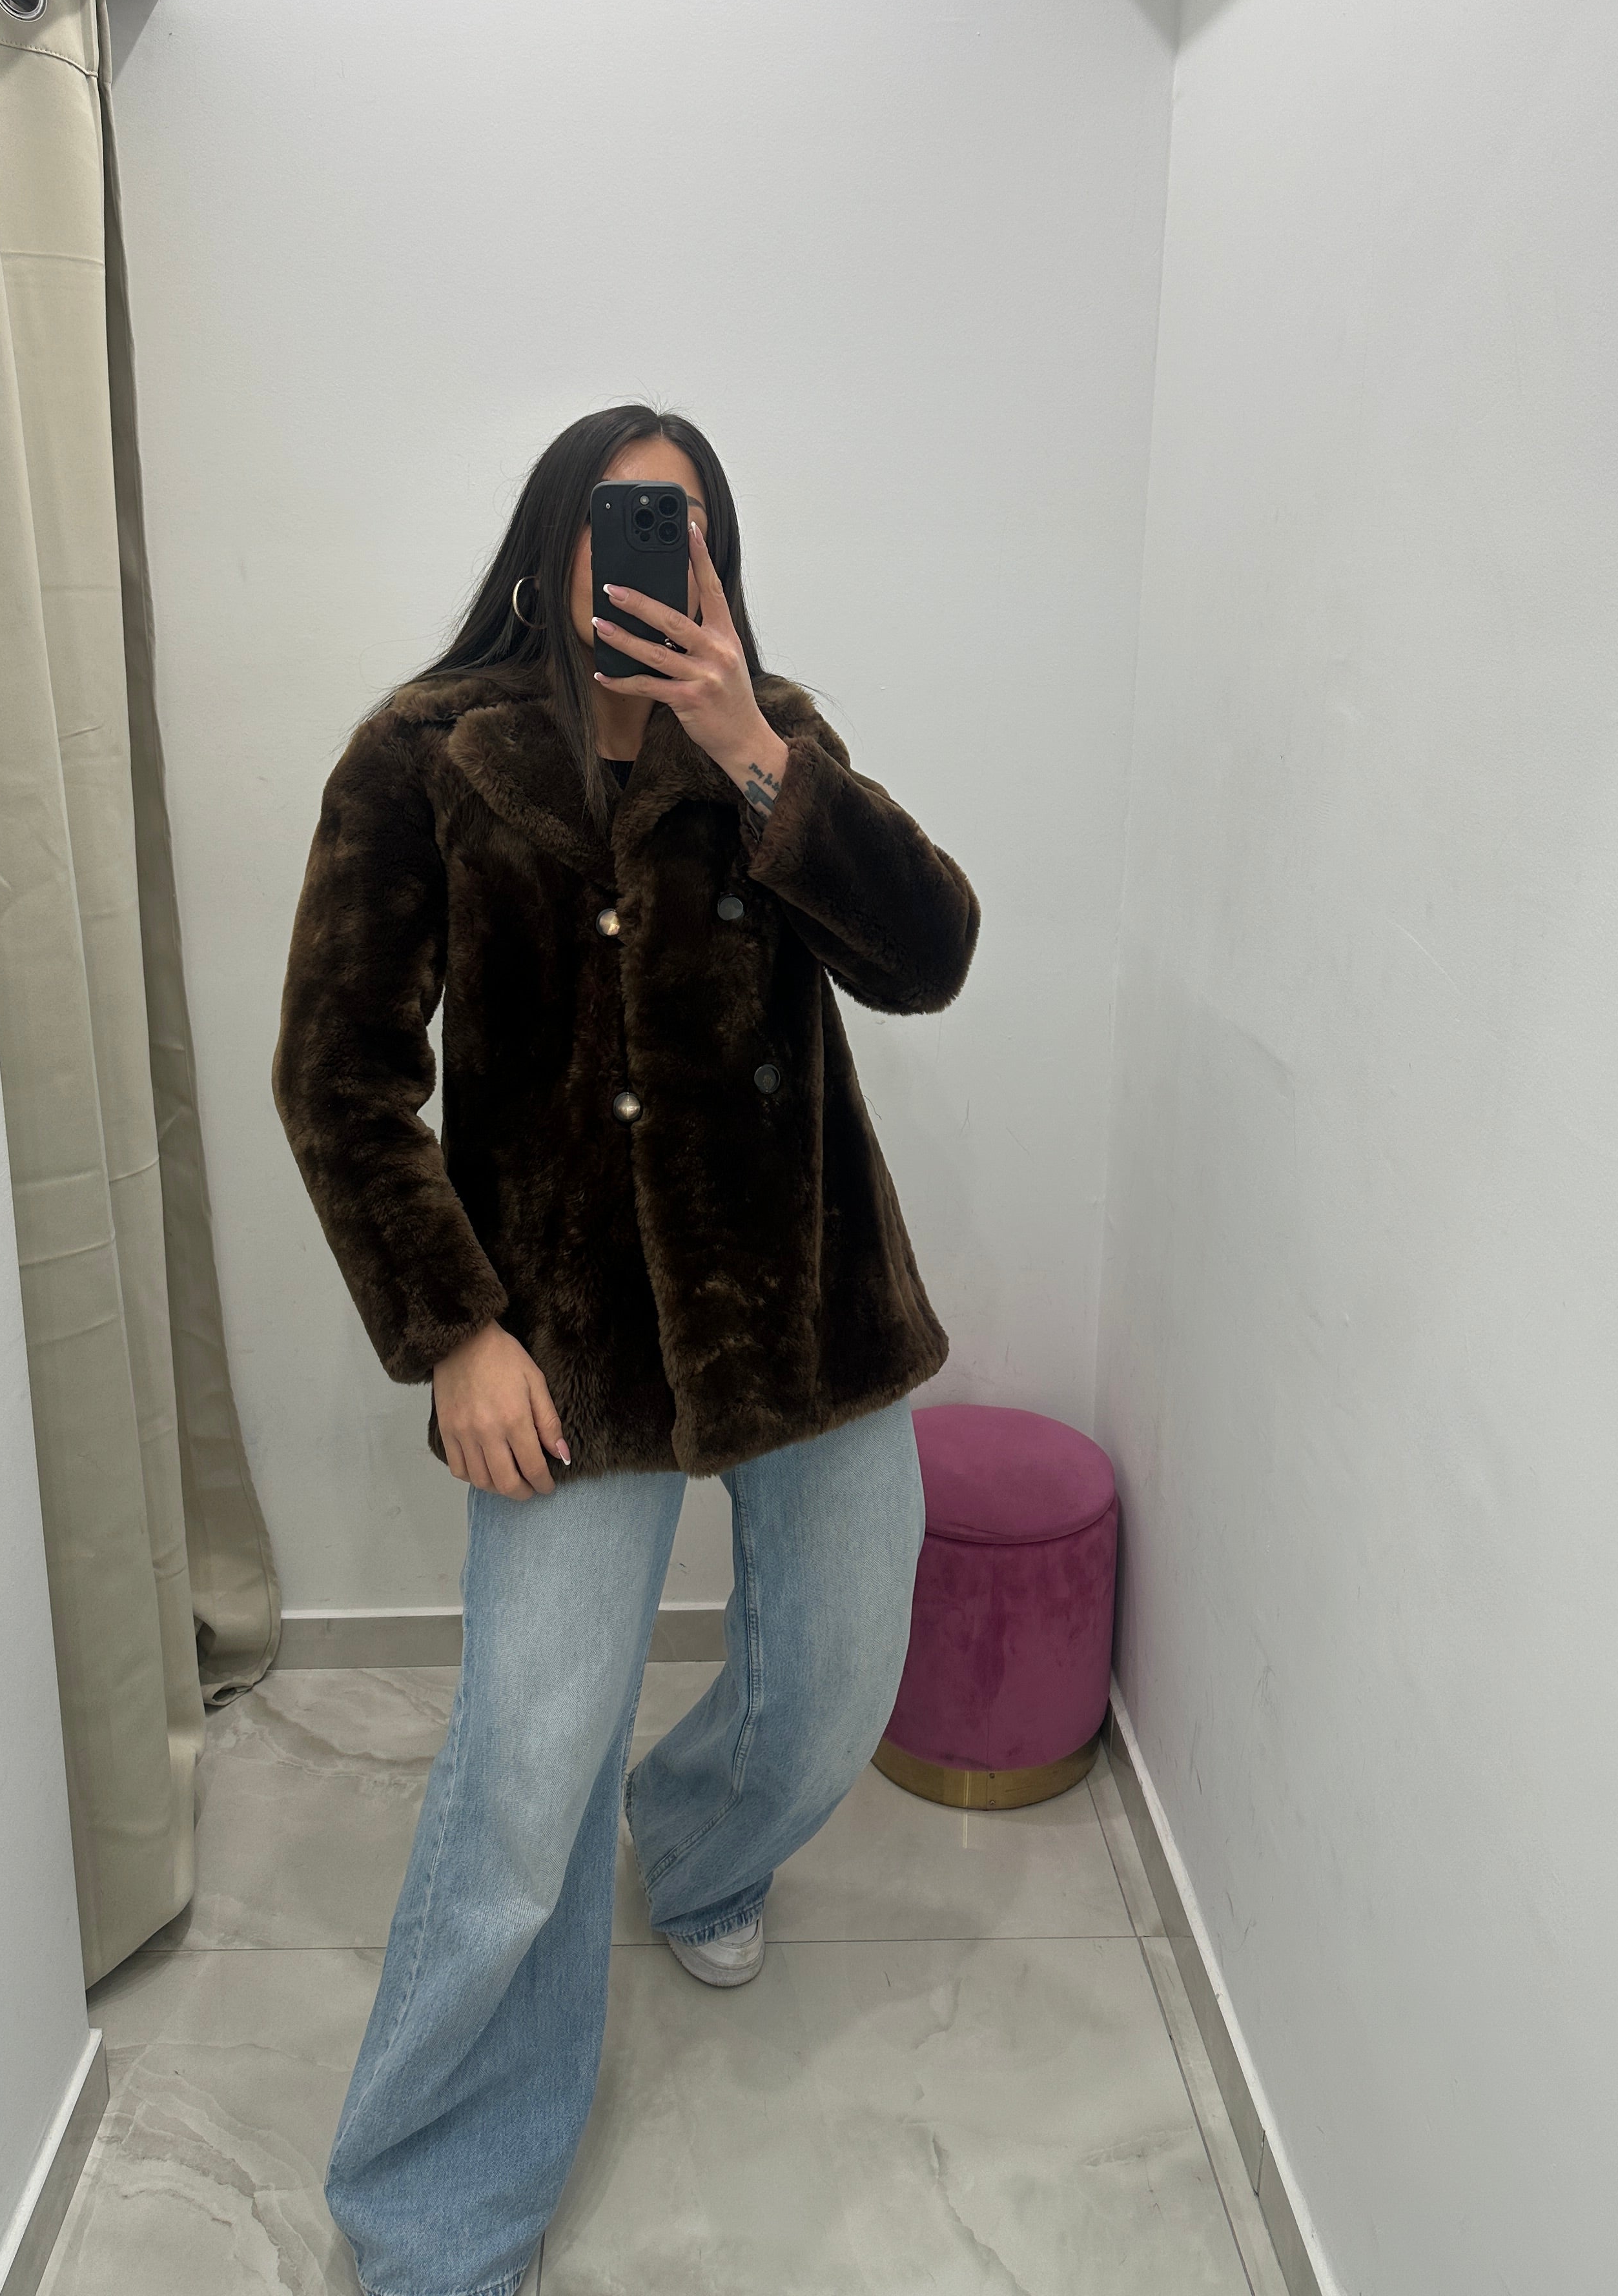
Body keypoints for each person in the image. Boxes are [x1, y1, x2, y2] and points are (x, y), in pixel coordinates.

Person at [271, 403, 979, 2296]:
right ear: (553, 540)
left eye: (688, 524)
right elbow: (339, 1073)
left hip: (803, 1309)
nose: (656, 550)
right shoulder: (424, 757)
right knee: (525, 1770)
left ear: (719, 561)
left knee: (838, 1676)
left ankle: (707, 1840)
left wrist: (756, 754)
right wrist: (454, 1330)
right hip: (563, 1350)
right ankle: (434, 2213)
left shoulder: (773, 739)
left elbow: (928, 958)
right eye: (622, 516)